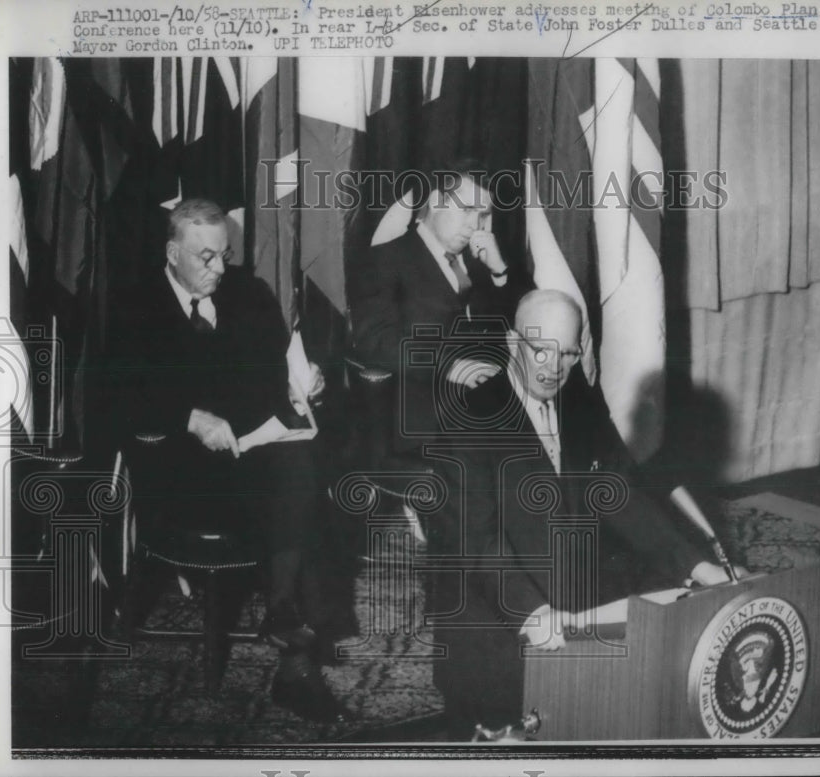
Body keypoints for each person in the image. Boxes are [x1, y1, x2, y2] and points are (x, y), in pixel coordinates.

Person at [425, 289, 734, 737]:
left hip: (574, 607)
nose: (555, 367)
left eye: (569, 352)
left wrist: (695, 563)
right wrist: (532, 613)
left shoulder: (581, 400)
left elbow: (620, 494)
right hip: (498, 623)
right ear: (514, 343)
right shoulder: (467, 418)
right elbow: (477, 543)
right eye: (542, 351)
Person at [108, 199, 354, 723]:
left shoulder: (248, 291)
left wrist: (306, 379)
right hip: (178, 470)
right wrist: (189, 416)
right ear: (173, 253)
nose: (220, 269)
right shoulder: (134, 306)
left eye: (224, 255)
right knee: (303, 499)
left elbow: (275, 367)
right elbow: (116, 396)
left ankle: (287, 624)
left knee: (302, 469)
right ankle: (294, 639)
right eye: (206, 258)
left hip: (253, 450)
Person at [348, 161, 533, 449]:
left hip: (497, 403)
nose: (475, 225)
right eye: (467, 210)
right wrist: (449, 366)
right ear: (436, 202)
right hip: (427, 410)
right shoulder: (385, 260)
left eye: (483, 214)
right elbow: (375, 341)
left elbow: (534, 318)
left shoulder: (484, 259)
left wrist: (499, 271)